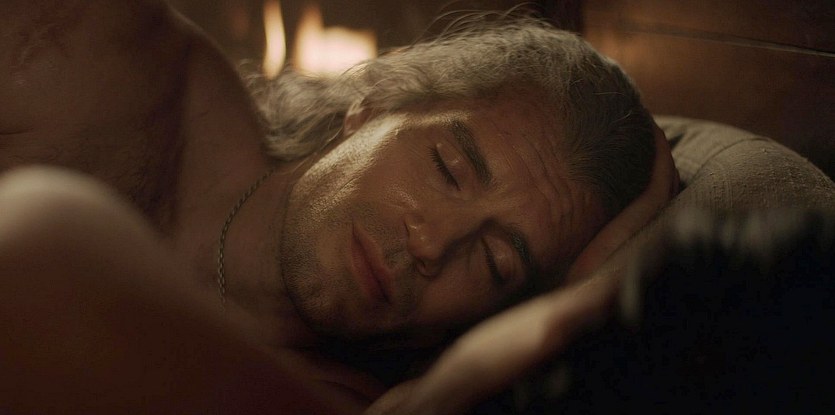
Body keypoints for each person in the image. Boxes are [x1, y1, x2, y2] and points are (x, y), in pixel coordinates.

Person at [0, 1, 676, 413]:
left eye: (495, 261)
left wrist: (596, 286)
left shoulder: (353, 396)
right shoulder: (101, 55)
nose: (432, 243)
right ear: (374, 104)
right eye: (447, 168)